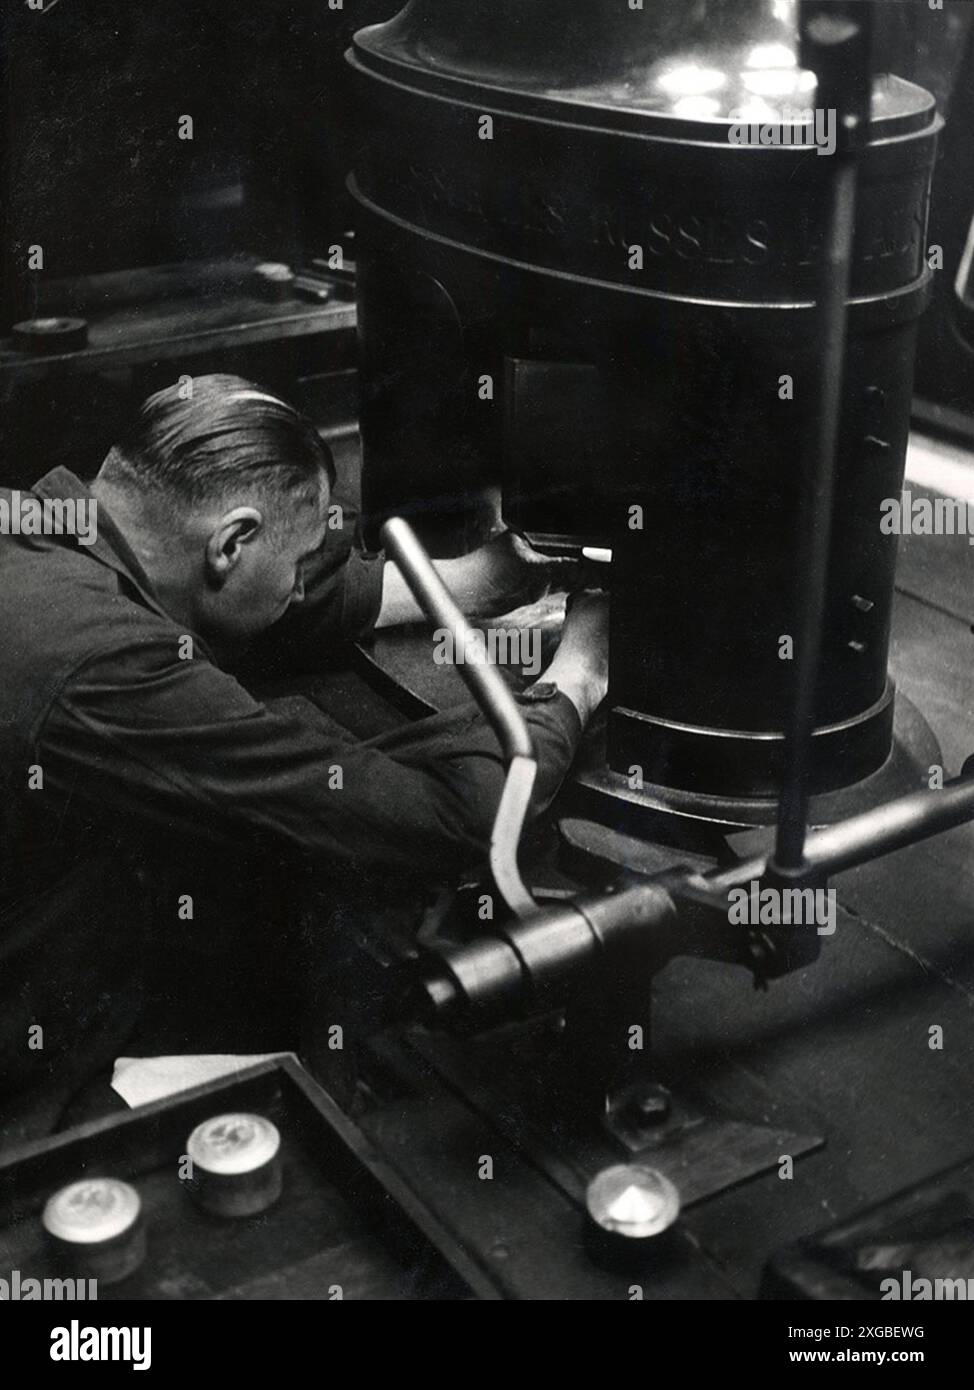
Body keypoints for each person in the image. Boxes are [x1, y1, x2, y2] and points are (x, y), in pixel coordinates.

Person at [0, 374, 609, 1139]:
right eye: (297, 563)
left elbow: (232, 593)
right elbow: (452, 817)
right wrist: (579, 674)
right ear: (230, 542)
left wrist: (473, 583)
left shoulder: (39, 523)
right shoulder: (107, 669)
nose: (296, 590)